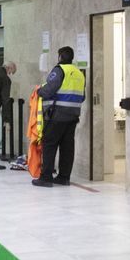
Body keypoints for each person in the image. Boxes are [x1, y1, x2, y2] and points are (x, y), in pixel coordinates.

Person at [33, 46, 85, 186]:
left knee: (49, 145)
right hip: (72, 117)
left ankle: (46, 177)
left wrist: (39, 91)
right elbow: (83, 97)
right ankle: (64, 177)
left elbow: (50, 89)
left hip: (56, 116)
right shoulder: (79, 73)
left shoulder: (59, 70)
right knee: (67, 147)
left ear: (60, 57)